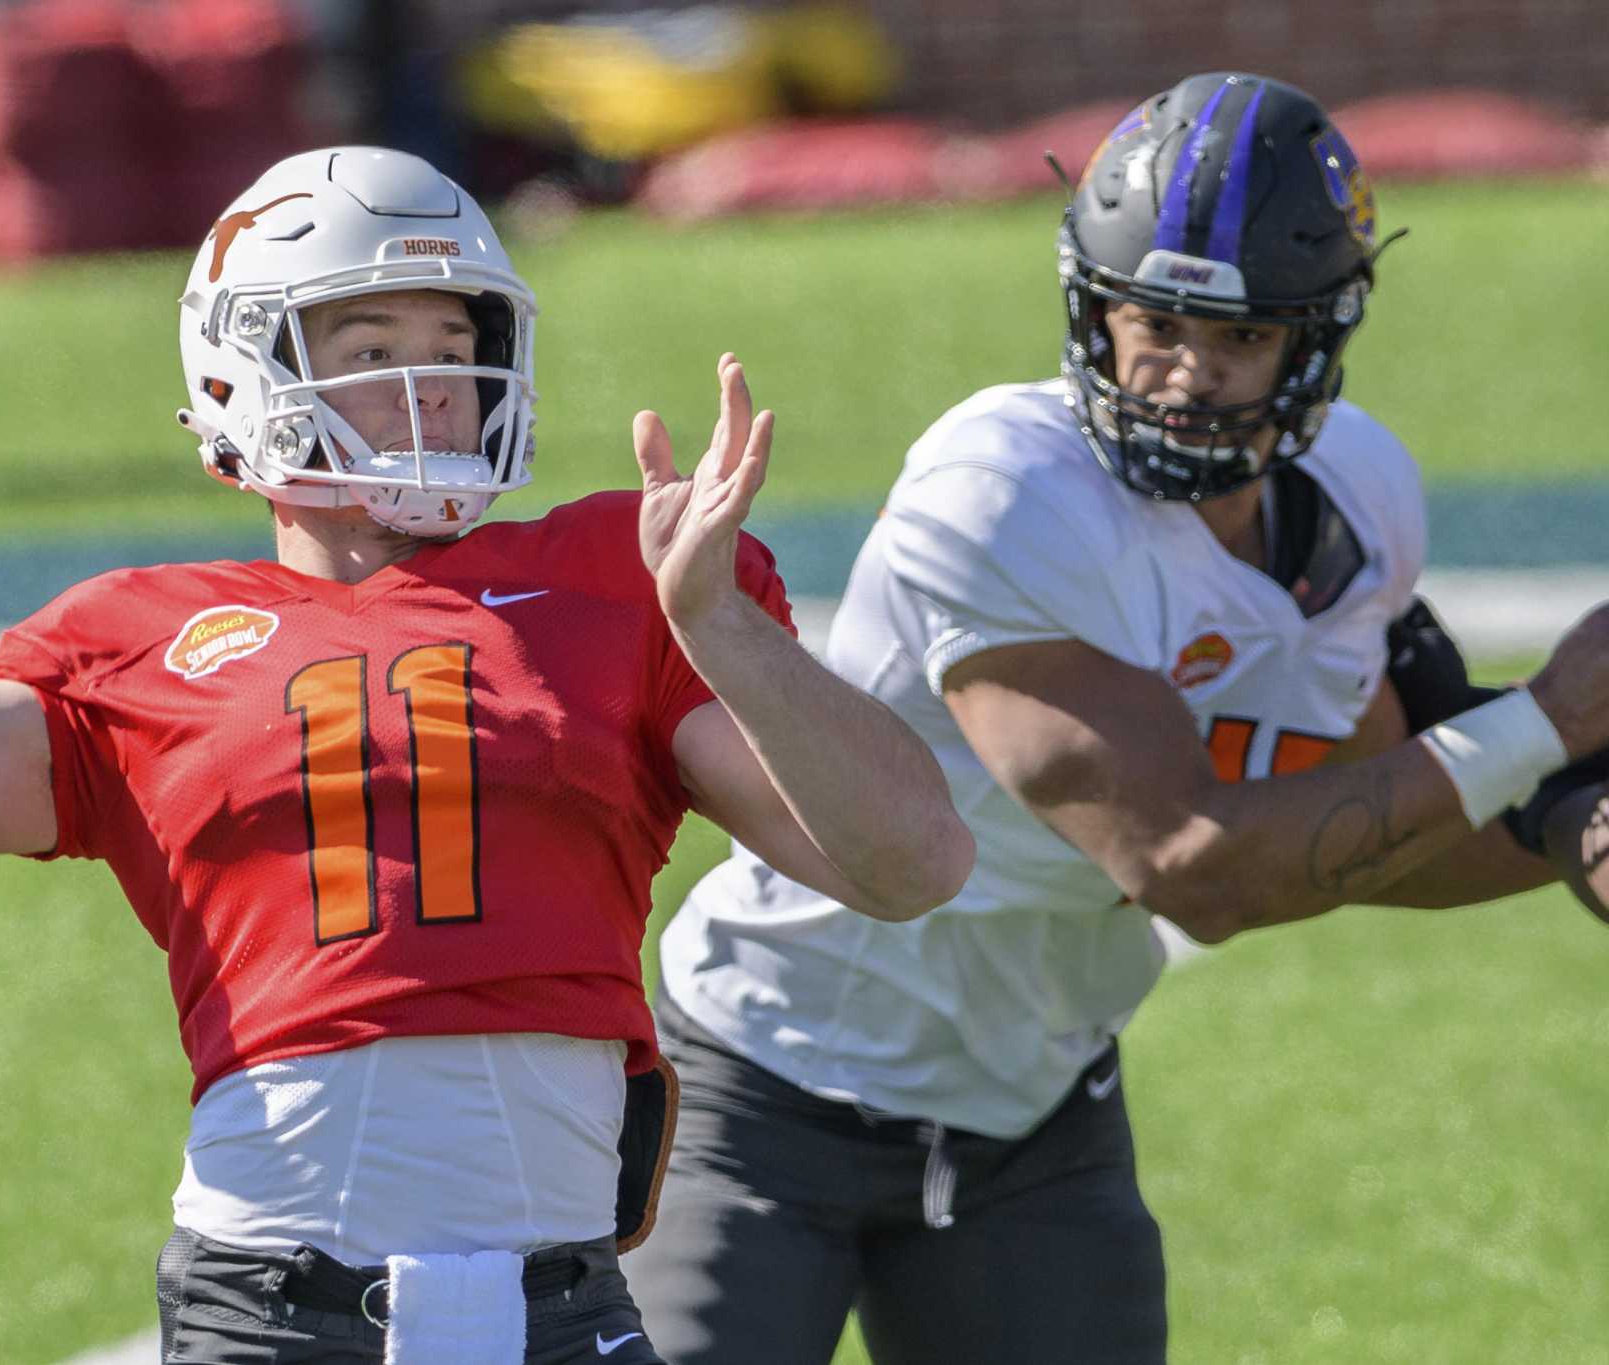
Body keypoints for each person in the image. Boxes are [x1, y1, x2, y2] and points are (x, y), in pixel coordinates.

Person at [0, 146, 972, 1364]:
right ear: (243, 370)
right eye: (372, 337)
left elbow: (911, 860)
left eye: (456, 339)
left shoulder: (622, 579)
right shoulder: (135, 641)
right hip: (270, 1315)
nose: (433, 382)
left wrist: (728, 633)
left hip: (565, 1313)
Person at [625, 72, 1609, 1364]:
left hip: (1034, 1115)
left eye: (1239, 338)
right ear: (1095, 308)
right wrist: (1544, 727)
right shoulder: (1003, 494)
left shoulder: (1360, 503)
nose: (1184, 377)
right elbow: (1190, 863)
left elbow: (1379, 814)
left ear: (1314, 340)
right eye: (1154, 321)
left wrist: (1567, 824)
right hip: (769, 1082)